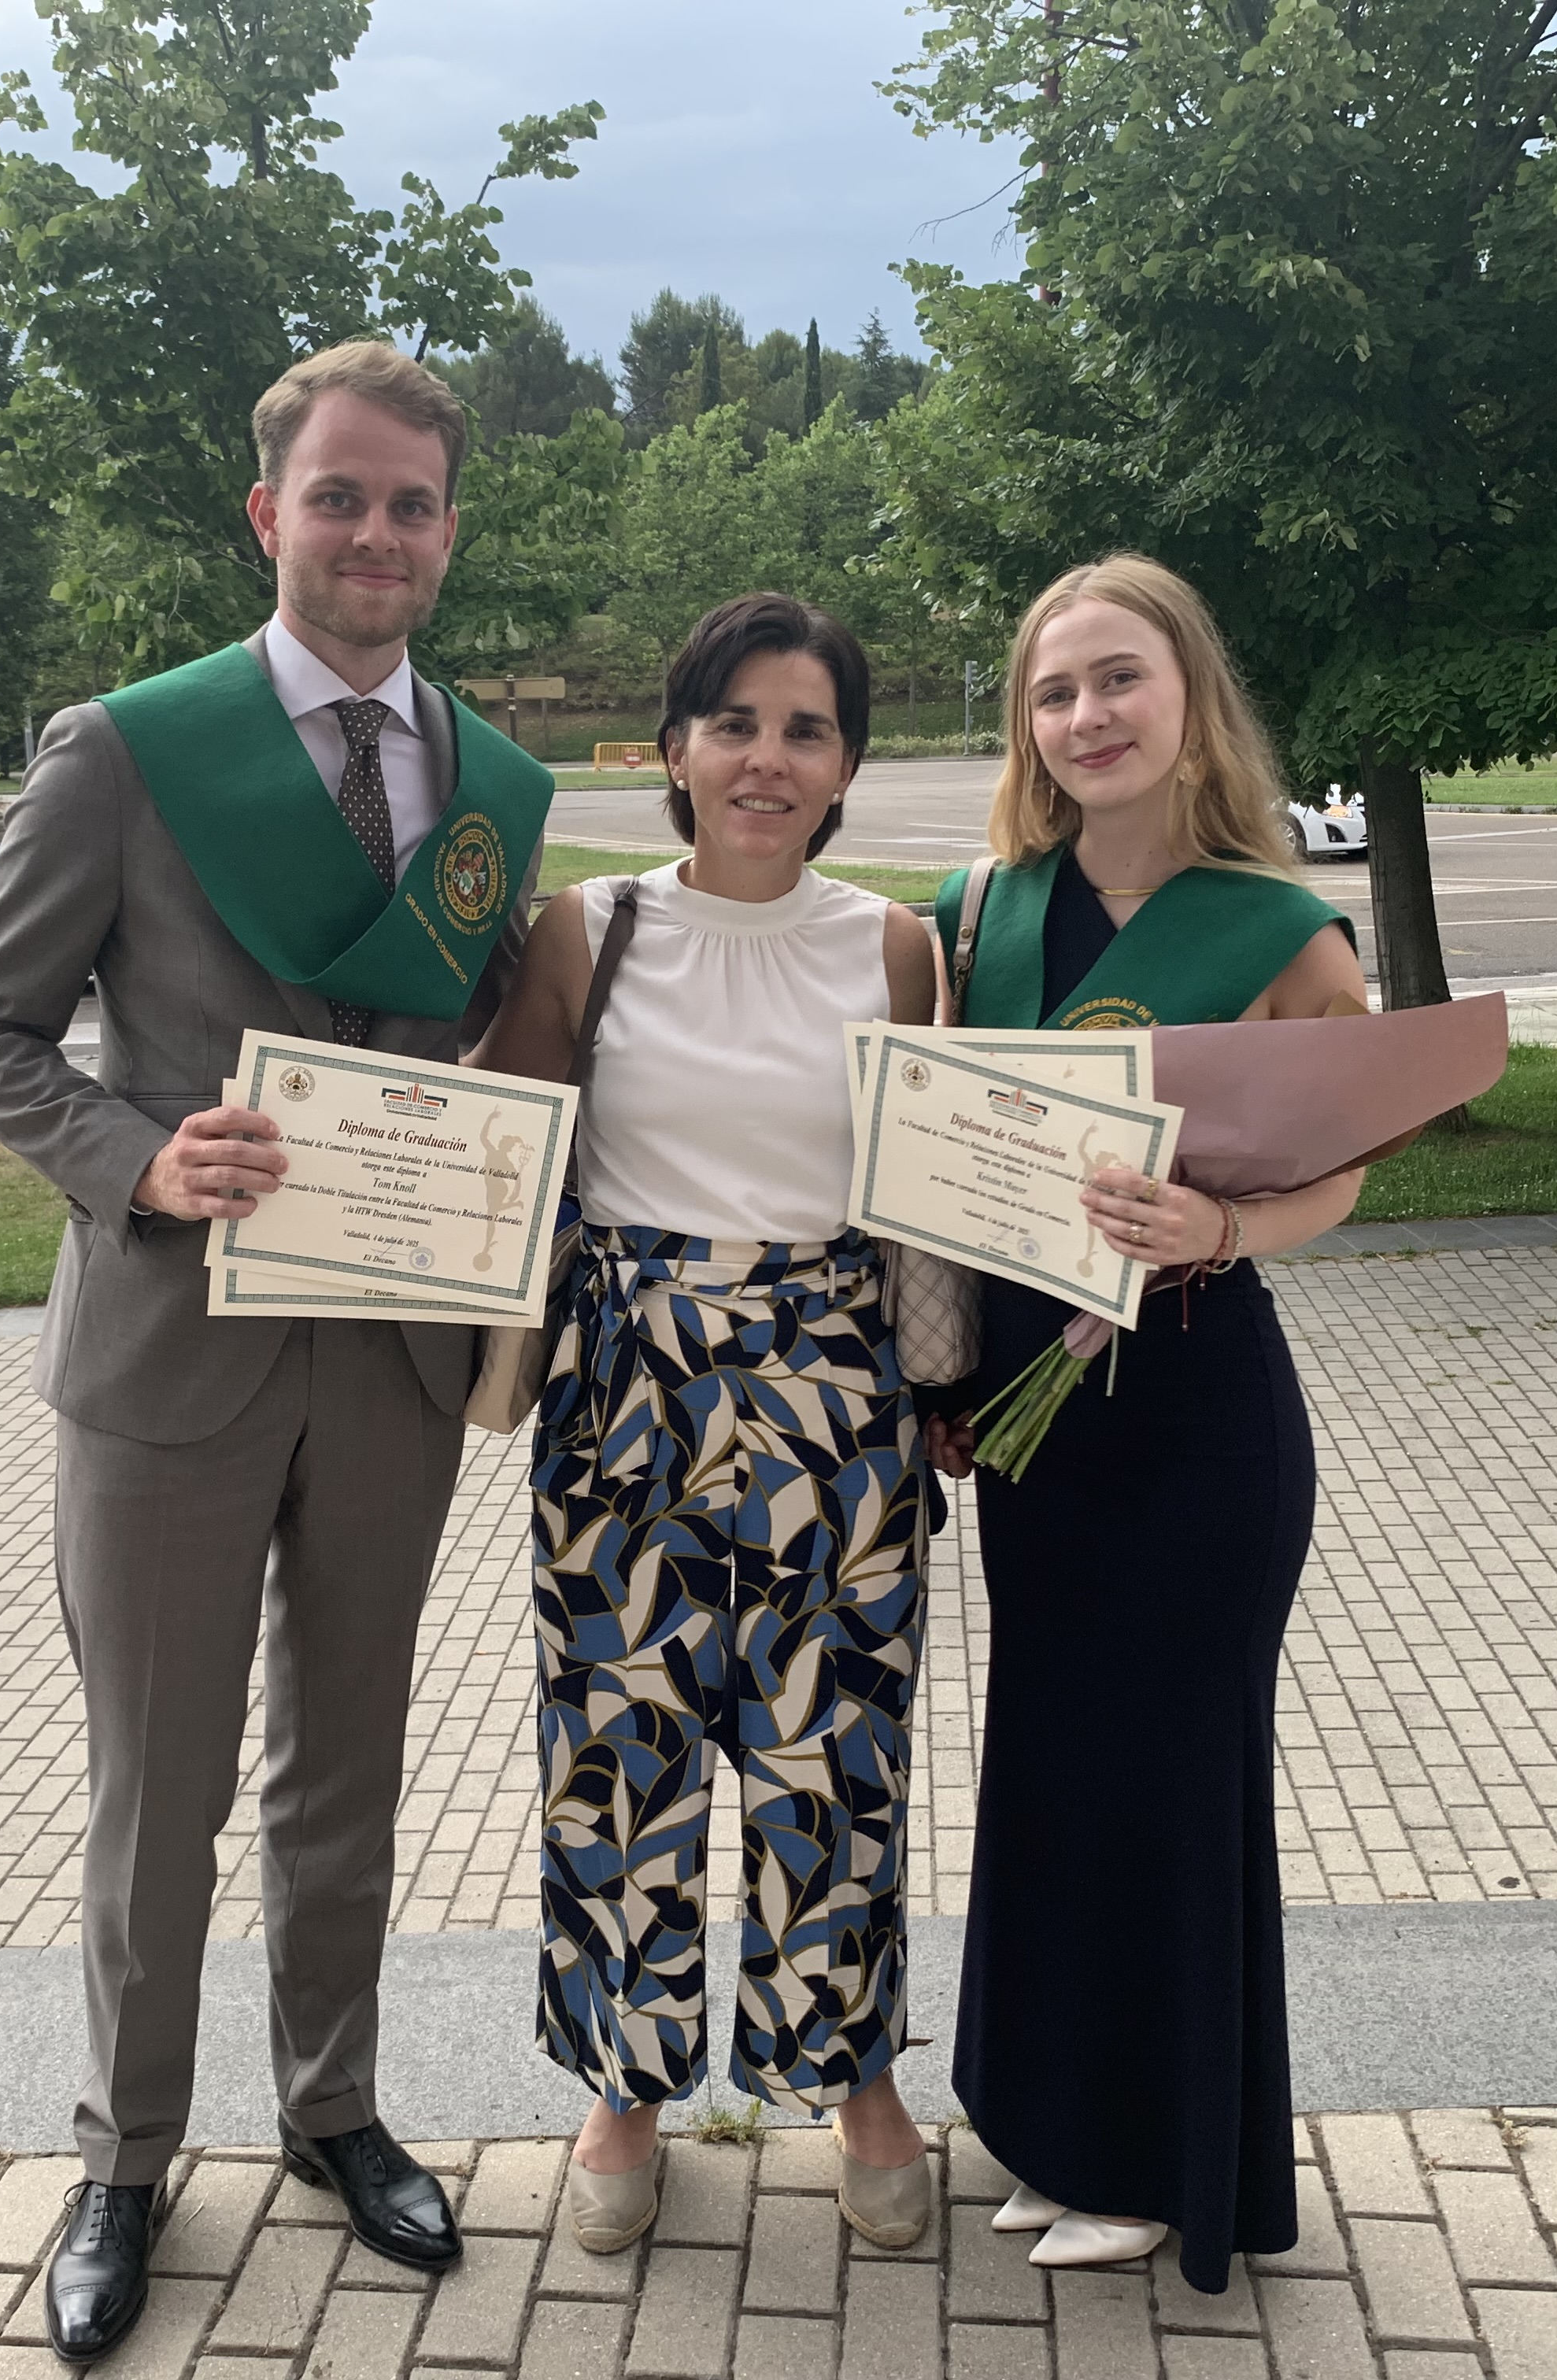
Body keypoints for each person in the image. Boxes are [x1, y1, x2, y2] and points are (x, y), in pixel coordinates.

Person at [0, 341, 552, 2364]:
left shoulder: (491, 780)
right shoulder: (126, 748)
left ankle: (337, 2109)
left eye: (415, 504)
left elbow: (471, 1051)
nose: (379, 533)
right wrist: (138, 1155)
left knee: (346, 1771)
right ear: (268, 511)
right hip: (172, 1358)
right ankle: (125, 2157)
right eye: (343, 495)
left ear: (449, 535)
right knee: (158, 1786)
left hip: (384, 1354)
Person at [474, 593, 943, 2258]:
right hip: (625, 1391)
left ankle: (857, 2073)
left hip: (836, 1390)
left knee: (838, 1755)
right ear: (673, 749)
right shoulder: (582, 932)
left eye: (806, 728)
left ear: (846, 765)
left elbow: (938, 1191)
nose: (767, 757)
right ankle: (627, 2079)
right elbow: (502, 1145)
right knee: (623, 1749)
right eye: (734, 722)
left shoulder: (898, 944)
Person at [926, 553, 1370, 2292]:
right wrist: (947, 1376)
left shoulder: (1279, 923)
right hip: (1038, 1417)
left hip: (1191, 1405)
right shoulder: (986, 906)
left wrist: (1231, 1225)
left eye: (1120, 679)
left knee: (1171, 1785)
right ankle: (1050, 2124)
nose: (1087, 717)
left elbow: (1344, 1166)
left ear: (1190, 695)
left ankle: (1167, 2160)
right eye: (1054, 691)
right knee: (1049, 1765)